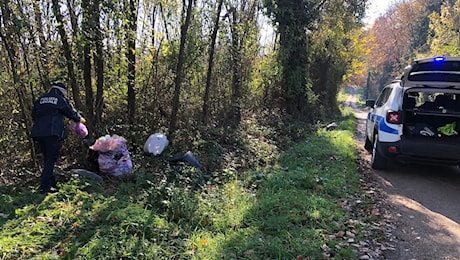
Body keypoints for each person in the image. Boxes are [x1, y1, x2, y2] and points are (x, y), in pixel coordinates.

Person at [30, 81, 84, 194]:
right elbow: (71, 112)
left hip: (39, 133)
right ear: (62, 91)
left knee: (47, 159)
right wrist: (79, 119)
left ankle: (51, 184)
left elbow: (33, 115)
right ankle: (44, 188)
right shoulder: (60, 99)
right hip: (52, 133)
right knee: (51, 159)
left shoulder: (40, 99)